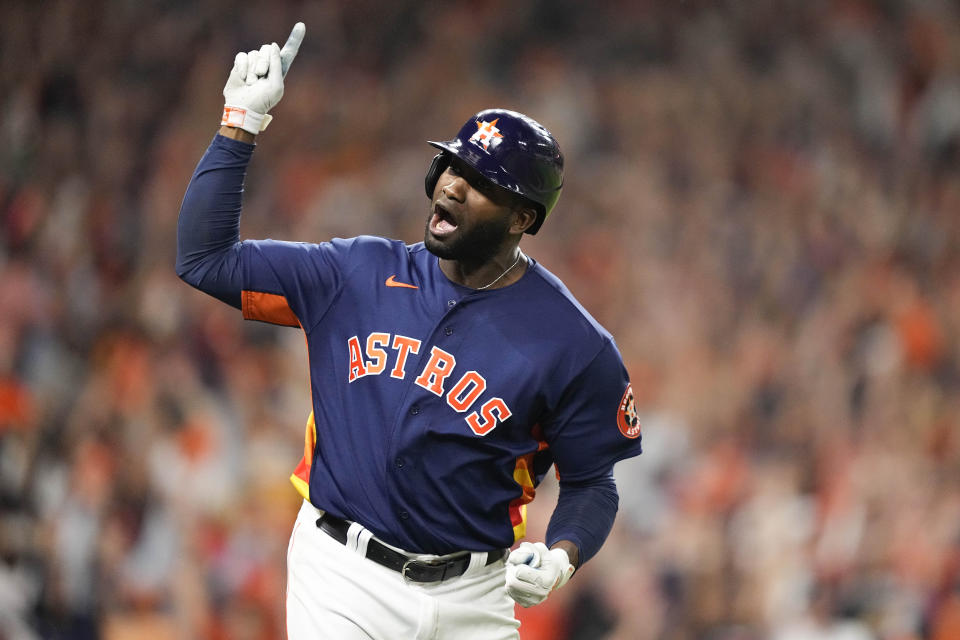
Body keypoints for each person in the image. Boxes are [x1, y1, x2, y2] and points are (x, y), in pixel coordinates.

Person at [176, 22, 643, 640]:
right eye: (452, 164)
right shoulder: (356, 273)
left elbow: (592, 482)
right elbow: (204, 259)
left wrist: (561, 556)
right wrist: (238, 126)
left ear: (522, 218)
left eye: (480, 182)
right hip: (343, 573)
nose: (452, 183)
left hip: (476, 593)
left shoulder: (574, 344)